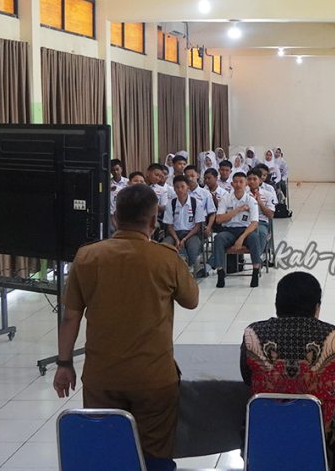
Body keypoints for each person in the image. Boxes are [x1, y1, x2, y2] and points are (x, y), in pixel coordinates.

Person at [53, 184, 199, 467]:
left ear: (115, 218)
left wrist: (64, 363)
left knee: (107, 453)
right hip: (153, 378)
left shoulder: (87, 256)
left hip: (102, 377)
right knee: (154, 454)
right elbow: (191, 301)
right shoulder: (166, 258)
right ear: (154, 221)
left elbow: (71, 317)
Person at [241, 272, 335, 471]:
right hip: (321, 448)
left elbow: (247, 378)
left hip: (265, 445)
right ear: (316, 307)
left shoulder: (253, 334)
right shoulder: (333, 335)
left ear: (277, 304)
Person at [210, 171, 262, 288]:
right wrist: (238, 210)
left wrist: (242, 238)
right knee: (218, 238)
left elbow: (254, 223)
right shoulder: (225, 199)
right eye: (236, 182)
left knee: (254, 238)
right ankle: (220, 272)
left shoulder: (251, 200)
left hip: (245, 230)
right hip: (229, 230)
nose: (238, 184)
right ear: (232, 184)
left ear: (246, 184)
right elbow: (219, 219)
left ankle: (255, 271)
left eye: (241, 182)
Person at [162, 175, 205, 271]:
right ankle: (171, 269)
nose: (180, 190)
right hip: (174, 233)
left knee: (193, 249)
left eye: (182, 187)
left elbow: (197, 226)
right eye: (177, 187)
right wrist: (177, 239)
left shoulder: (196, 203)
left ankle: (187, 266)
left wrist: (184, 239)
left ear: (187, 188)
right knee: (165, 247)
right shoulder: (171, 203)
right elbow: (169, 226)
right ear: (174, 189)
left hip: (191, 234)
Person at [247, 167, 275, 256]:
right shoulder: (243, 194)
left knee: (261, 233)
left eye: (254, 179)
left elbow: (270, 215)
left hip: (261, 222)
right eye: (249, 179)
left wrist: (260, 203)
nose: (252, 182)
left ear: (260, 180)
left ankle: (257, 258)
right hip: (246, 221)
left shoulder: (267, 194)